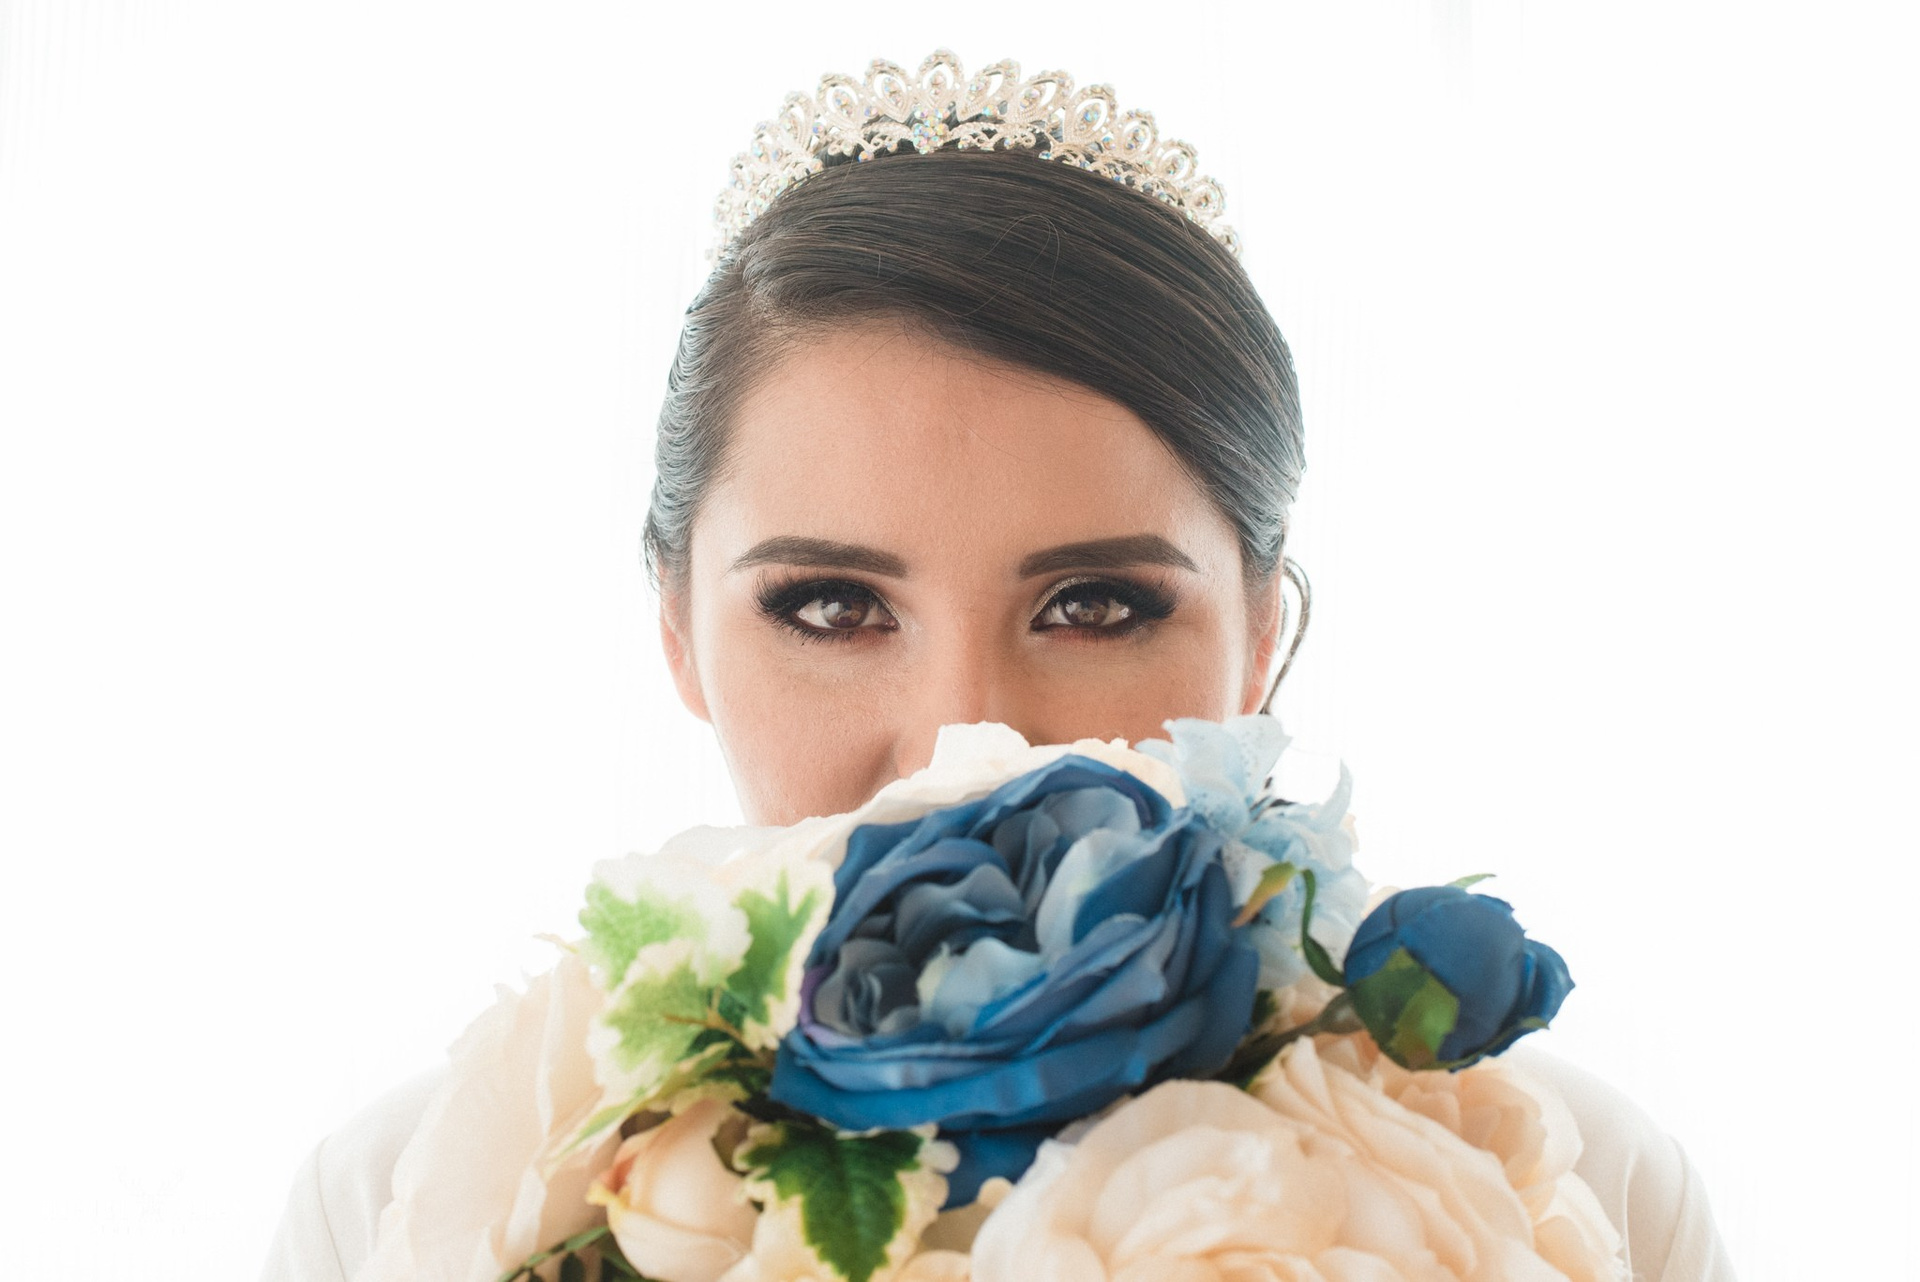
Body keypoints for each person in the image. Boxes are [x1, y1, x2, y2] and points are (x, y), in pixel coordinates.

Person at [263, 51, 1735, 1281]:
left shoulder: (1568, 1196)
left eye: (1094, 605)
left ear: (1262, 634)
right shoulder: (420, 1207)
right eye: (831, 607)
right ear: (676, 627)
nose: (965, 744)